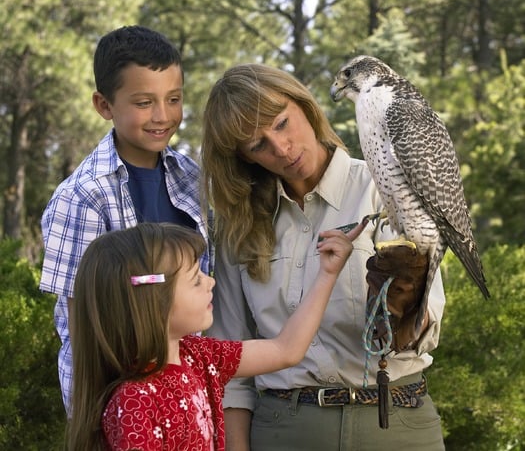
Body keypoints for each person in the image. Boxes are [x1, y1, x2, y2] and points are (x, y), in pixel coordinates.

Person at [201, 64, 447, 450]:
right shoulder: (238, 226)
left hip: (395, 421)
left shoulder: (383, 188)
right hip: (284, 429)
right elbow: (230, 367)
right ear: (244, 157)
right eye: (257, 145)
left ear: (306, 107)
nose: (280, 148)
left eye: (282, 123)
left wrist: (403, 306)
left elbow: (425, 333)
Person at [67, 220, 362, 450]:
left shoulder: (198, 356)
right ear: (153, 301)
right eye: (195, 280)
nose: (211, 282)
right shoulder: (134, 403)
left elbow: (286, 350)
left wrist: (328, 274)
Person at [39, 25, 212, 415]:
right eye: (144, 102)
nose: (163, 116)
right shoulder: (83, 197)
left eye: (174, 99)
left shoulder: (191, 177)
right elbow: (80, 326)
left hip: (191, 396)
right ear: (104, 105)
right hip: (122, 405)